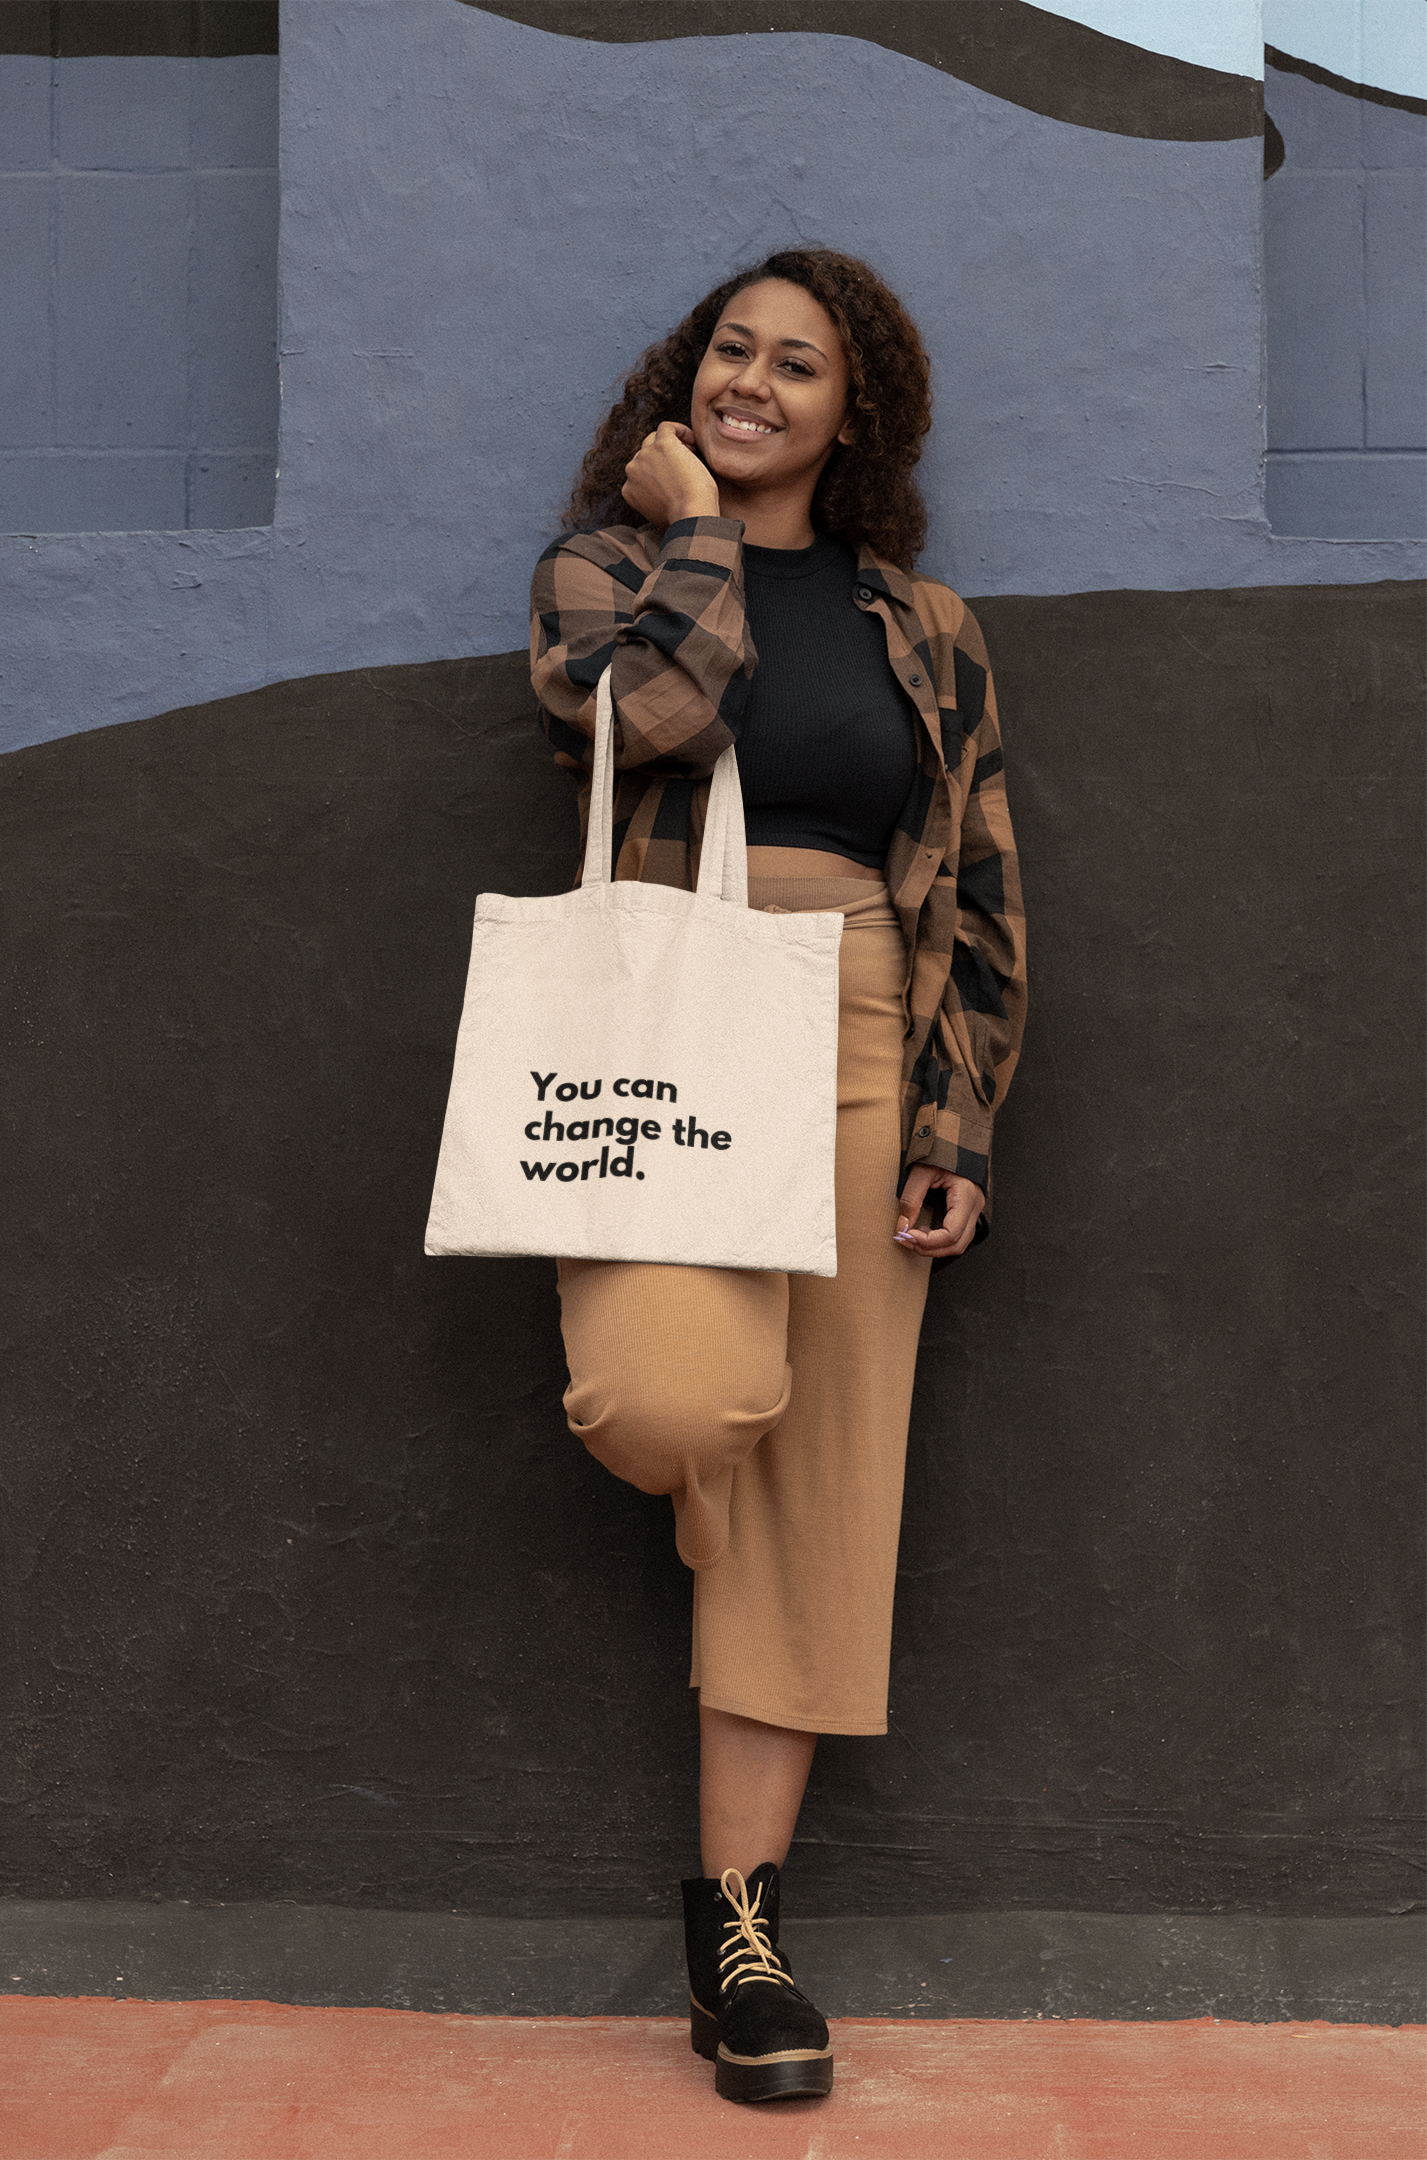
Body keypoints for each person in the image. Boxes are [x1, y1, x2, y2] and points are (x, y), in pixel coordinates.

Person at [529, 248, 1026, 2104]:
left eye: (796, 365)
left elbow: (974, 881)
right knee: (682, 1399)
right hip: (669, 1022)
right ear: (687, 378)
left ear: (853, 408)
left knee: (829, 1498)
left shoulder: (928, 622)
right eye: (730, 352)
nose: (754, 383)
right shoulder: (605, 573)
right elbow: (649, 721)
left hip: (863, 1033)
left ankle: (738, 1934)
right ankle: (712, 1495)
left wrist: (953, 1127)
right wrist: (695, 536)